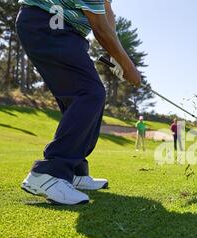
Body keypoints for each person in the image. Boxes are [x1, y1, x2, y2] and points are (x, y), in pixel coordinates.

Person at [17, 0, 142, 205]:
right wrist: (129, 67)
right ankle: (49, 174)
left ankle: (73, 171)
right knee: (90, 93)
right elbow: (100, 28)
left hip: (63, 30)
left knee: (81, 98)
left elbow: (107, 11)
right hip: (48, 23)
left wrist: (118, 56)